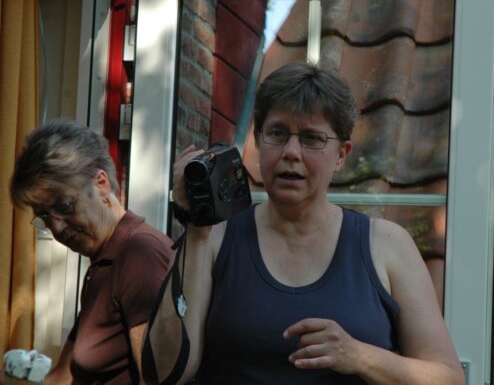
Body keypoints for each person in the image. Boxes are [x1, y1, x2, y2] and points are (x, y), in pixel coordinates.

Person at [146, 62, 465, 384]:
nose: (291, 152)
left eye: (312, 138)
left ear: (342, 154)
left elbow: (449, 378)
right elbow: (163, 373)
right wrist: (197, 232)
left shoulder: (386, 245)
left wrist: (359, 356)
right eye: (277, 133)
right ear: (257, 139)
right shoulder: (212, 238)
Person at [10, 119, 173, 384]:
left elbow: (157, 379)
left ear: (101, 183)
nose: (56, 227)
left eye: (64, 206)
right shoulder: (104, 261)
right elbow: (63, 377)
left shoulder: (140, 254)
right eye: (44, 216)